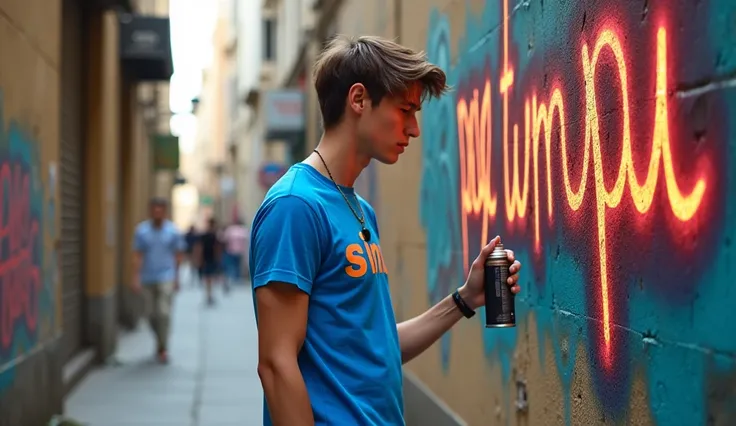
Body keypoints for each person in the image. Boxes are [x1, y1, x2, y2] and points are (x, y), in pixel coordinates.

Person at [249, 35, 523, 425]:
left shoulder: (359, 210)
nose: (413, 129)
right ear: (358, 100)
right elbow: (276, 364)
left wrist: (465, 298)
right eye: (405, 110)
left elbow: (376, 345)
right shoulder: (296, 206)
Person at [132, 197, 185, 364]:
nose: (157, 213)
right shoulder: (142, 231)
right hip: (147, 277)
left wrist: (177, 278)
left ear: (165, 212)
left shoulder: (173, 232)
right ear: (150, 211)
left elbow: (178, 255)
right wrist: (135, 277)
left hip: (166, 276)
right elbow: (138, 255)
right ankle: (159, 340)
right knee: (150, 314)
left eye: (160, 210)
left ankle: (163, 347)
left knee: (163, 312)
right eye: (154, 210)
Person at [193, 217, 222, 305]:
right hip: (207, 258)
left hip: (209, 258)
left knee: (209, 278)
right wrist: (199, 259)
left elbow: (217, 248)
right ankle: (209, 295)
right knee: (209, 278)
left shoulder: (214, 235)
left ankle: (209, 294)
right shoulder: (208, 235)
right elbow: (200, 247)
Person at [222, 218, 249, 287]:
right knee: (237, 265)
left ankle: (232, 277)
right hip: (240, 251)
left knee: (231, 265)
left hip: (230, 250)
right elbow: (246, 241)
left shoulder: (230, 230)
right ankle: (237, 278)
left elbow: (224, 239)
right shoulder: (243, 230)